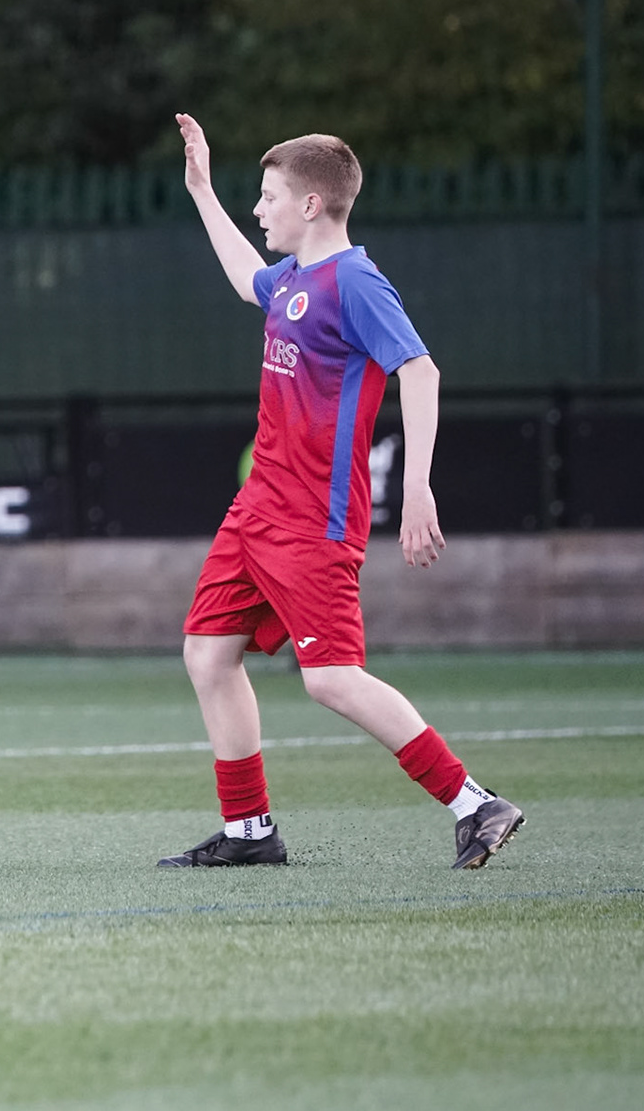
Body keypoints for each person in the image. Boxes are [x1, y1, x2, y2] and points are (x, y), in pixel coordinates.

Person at [159, 114, 523, 871]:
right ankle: (250, 833)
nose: (259, 209)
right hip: (256, 509)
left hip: (311, 521)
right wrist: (201, 191)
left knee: (330, 678)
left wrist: (417, 487)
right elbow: (245, 278)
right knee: (208, 655)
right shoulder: (293, 277)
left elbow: (419, 371)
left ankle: (474, 803)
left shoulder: (355, 280)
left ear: (312, 204)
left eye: (268, 197)